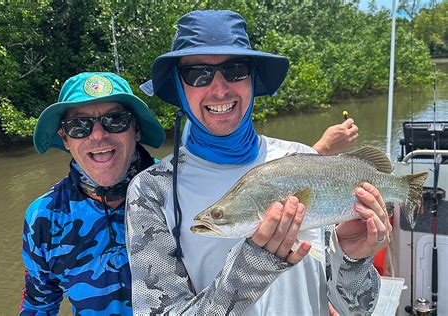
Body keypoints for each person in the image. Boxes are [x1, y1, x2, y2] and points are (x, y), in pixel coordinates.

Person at [125, 10, 389, 315]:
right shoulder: (150, 192)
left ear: (252, 79)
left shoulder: (305, 161)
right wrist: (253, 266)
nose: (220, 89)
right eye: (197, 74)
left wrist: (354, 261)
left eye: (236, 70)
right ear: (179, 86)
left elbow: (357, 308)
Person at [20, 72, 165, 315]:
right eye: (79, 125)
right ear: (65, 138)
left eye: (115, 119)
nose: (97, 134)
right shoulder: (43, 217)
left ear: (136, 129)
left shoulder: (177, 190)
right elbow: (38, 305)